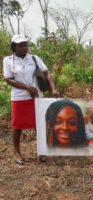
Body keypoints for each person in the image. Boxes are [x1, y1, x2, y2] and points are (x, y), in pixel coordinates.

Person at [3, 35, 59, 164]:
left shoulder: (34, 58)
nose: (23, 47)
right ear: (14, 47)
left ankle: (42, 151)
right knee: (17, 125)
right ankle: (17, 152)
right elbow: (8, 79)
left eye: (25, 44)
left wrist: (53, 88)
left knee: (39, 124)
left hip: (37, 96)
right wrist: (27, 87)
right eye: (20, 45)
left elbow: (47, 73)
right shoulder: (8, 60)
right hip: (18, 98)